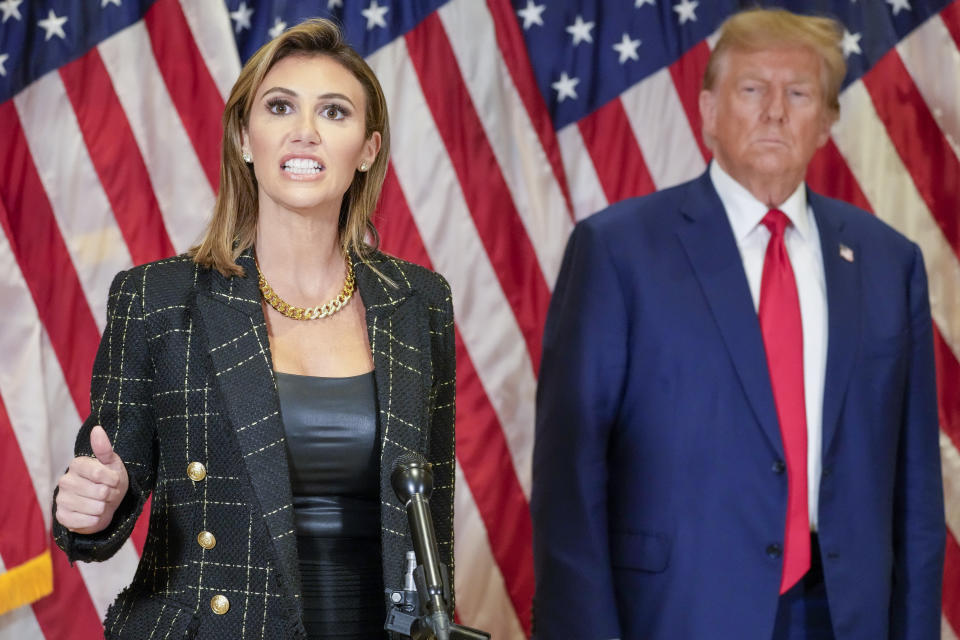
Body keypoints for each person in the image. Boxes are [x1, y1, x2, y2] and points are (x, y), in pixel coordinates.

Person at [531, 8, 944, 640]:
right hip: (678, 612)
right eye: (752, 90)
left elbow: (916, 491)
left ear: (828, 121)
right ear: (707, 111)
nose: (775, 111)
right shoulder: (618, 252)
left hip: (846, 615)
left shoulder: (890, 263)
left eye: (799, 93)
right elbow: (570, 479)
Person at [52, 18, 455, 640]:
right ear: (245, 136)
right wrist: (92, 508)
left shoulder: (420, 300)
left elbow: (432, 522)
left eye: (335, 112)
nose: (305, 131)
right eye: (280, 106)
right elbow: (105, 490)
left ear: (368, 149)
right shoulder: (157, 298)